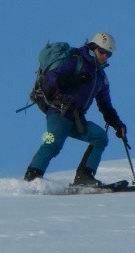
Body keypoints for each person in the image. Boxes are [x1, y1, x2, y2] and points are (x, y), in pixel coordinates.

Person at [24, 32, 126, 188]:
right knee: (52, 142)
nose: (105, 56)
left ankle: (84, 176)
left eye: (109, 54)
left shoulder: (100, 77)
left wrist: (117, 124)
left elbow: (105, 105)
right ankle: (32, 176)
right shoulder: (76, 60)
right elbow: (53, 80)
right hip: (59, 113)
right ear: (93, 48)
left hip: (76, 119)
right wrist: (75, 79)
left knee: (99, 137)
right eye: (102, 51)